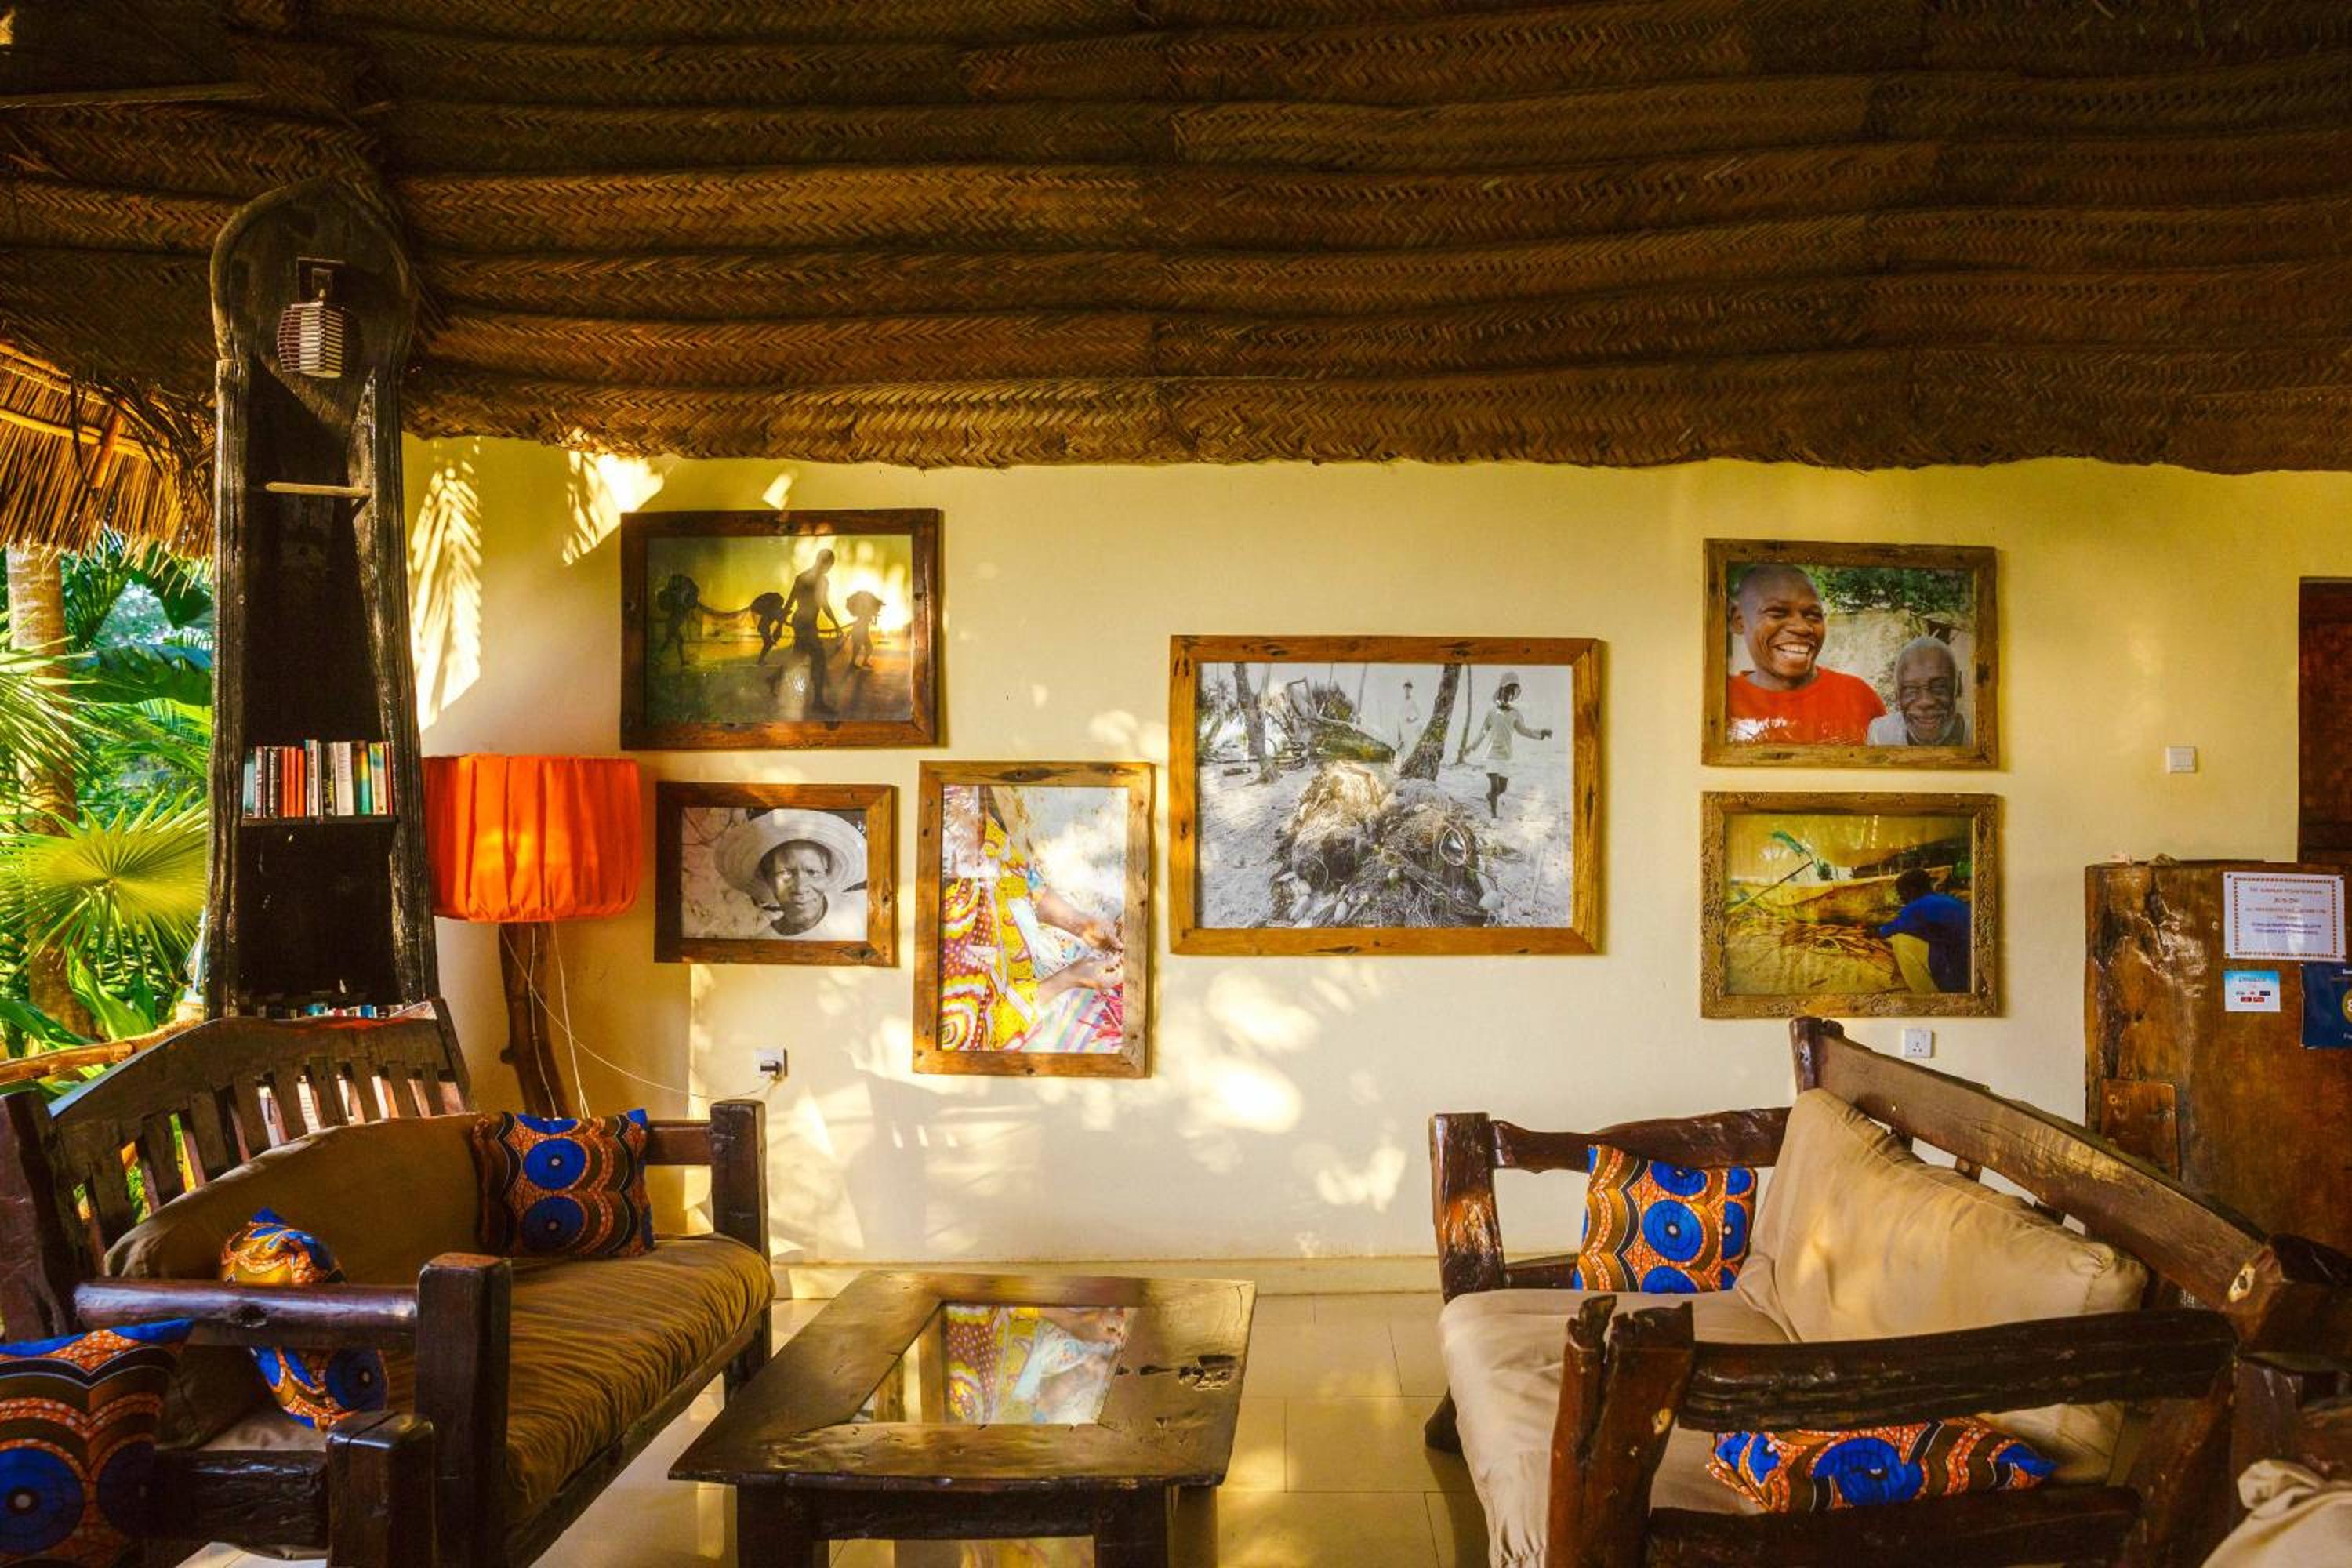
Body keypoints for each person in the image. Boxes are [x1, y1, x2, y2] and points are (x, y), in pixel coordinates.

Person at [937, 785, 1124, 1054]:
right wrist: (1069, 979)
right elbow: (981, 1039)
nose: (980, 821)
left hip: (1038, 981)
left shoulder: (977, 829)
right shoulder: (949, 922)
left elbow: (1021, 880)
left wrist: (1082, 925)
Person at [1725, 564, 1886, 745]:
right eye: (1777, 613)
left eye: (1813, 615)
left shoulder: (1857, 696)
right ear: (1738, 620)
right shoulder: (1721, 700)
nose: (1802, 628)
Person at [713, 808, 869, 941]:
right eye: (785, 873)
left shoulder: (863, 907)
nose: (800, 888)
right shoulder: (765, 942)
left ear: (827, 873)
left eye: (812, 872)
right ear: (767, 878)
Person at [1459, 671, 1552, 819]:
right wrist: (1471, 747)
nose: (1508, 694)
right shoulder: (1491, 712)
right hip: (1492, 755)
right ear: (1500, 691)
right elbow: (1483, 732)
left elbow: (1524, 731)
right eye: (1506, 691)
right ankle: (1494, 815)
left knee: (1502, 788)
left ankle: (1490, 796)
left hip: (1506, 756)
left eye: (1511, 692)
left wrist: (1541, 733)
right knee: (1495, 786)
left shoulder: (1515, 714)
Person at [1878, 867, 1969, 993]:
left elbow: (1888, 930)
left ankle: (1928, 997)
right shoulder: (1949, 900)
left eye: (1901, 893)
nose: (1901, 898)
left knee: (1900, 940)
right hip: (1970, 969)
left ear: (1911, 890)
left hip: (1955, 976)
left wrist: (1873, 930)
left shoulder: (1916, 908)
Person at [1866, 636, 1969, 747]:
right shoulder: (1881, 736)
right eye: (1911, 689)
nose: (1925, 702)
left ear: (1958, 686)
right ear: (1897, 694)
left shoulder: (1978, 737)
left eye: (1939, 687)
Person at [781, 549, 841, 713]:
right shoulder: (811, 580)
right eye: (830, 565)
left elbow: (792, 602)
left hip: (805, 623)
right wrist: (835, 624)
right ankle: (818, 702)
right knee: (819, 658)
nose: (829, 568)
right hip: (804, 624)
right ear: (824, 562)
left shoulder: (806, 578)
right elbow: (821, 605)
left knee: (798, 656)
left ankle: (773, 680)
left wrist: (836, 624)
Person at [843, 589, 883, 672]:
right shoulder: (867, 611)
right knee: (858, 647)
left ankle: (863, 662)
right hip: (859, 631)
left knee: (869, 648)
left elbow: (866, 621)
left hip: (863, 632)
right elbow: (861, 623)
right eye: (878, 608)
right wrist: (851, 632)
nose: (879, 609)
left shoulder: (868, 611)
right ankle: (852, 664)